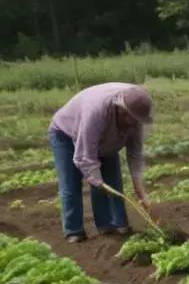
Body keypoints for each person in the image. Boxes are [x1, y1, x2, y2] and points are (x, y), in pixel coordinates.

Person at [49, 82, 154, 243]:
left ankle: (110, 225)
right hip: (67, 133)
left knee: (114, 183)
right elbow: (85, 157)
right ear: (121, 110)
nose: (132, 124)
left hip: (107, 139)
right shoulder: (96, 112)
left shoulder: (136, 115)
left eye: (136, 121)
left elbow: (135, 155)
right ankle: (74, 230)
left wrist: (140, 191)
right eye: (130, 119)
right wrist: (97, 180)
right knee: (71, 185)